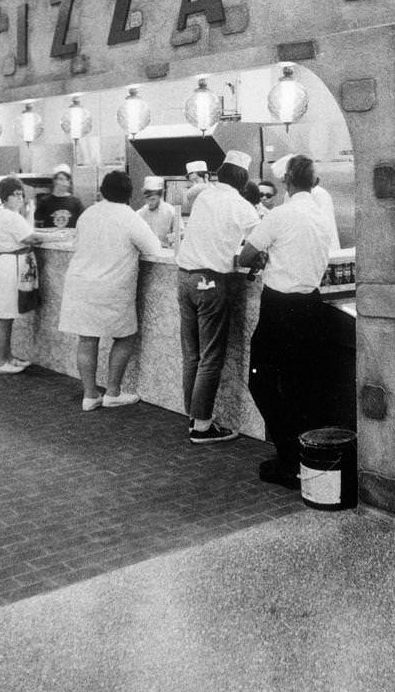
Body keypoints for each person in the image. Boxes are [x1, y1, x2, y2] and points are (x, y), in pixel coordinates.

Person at [239, 154, 332, 489]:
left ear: (287, 181)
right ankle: (304, 459)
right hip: (311, 307)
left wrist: (265, 256)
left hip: (279, 308)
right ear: (315, 182)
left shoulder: (280, 215)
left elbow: (246, 255)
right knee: (301, 385)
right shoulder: (321, 217)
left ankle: (289, 459)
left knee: (262, 382)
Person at [58, 170, 163, 411]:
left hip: (81, 284)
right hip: (112, 287)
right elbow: (154, 248)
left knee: (87, 338)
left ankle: (89, 395)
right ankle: (113, 392)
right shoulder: (130, 217)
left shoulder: (88, 213)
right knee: (124, 337)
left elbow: (77, 243)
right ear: (130, 194)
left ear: (103, 191)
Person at [176, 150, 259, 444]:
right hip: (210, 282)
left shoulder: (204, 196)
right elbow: (259, 243)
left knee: (192, 355)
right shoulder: (242, 206)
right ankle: (201, 426)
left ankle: (193, 416)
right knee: (210, 357)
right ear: (243, 180)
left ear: (220, 174)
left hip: (184, 278)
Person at [0, 176, 45, 374]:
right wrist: (58, 236)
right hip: (8, 268)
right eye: (15, 195)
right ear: (5, 197)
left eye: (21, 194)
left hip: (7, 266)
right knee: (4, 317)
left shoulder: (8, 215)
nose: (19, 198)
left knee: (7, 316)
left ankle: (7, 357)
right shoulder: (10, 216)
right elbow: (31, 238)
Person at [271, 153, 341, 252]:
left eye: (285, 181)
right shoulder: (288, 195)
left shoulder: (320, 194)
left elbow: (327, 226)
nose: (285, 185)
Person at [34, 164, 83, 229]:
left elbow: (83, 222)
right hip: (50, 235)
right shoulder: (44, 202)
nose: (64, 182)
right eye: (61, 179)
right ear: (54, 181)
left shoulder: (76, 202)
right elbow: (37, 224)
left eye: (67, 180)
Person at [138, 175, 175, 246]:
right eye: (146, 199)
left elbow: (180, 233)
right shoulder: (140, 213)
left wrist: (174, 236)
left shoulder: (170, 211)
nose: (149, 202)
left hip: (165, 250)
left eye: (153, 199)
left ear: (160, 196)